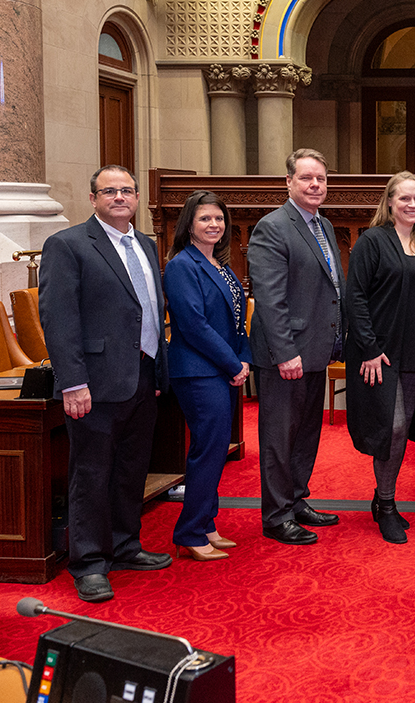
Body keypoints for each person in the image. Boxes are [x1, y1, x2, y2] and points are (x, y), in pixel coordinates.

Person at [39, 165, 172, 603]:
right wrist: (72, 382)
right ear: (93, 198)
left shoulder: (147, 245)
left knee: (132, 468)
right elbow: (59, 320)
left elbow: (148, 311)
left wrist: (155, 368)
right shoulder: (68, 245)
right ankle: (90, 562)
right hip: (93, 384)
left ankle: (125, 545)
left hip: (142, 376)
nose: (119, 197)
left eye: (127, 190)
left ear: (137, 198)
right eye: (109, 191)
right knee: (91, 473)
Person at [248, 148, 345, 546]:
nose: (315, 185)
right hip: (286, 354)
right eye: (306, 178)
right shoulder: (272, 227)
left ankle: (297, 499)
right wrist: (286, 352)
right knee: (278, 436)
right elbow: (270, 300)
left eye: (320, 179)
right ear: (288, 182)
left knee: (306, 434)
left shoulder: (322, 226)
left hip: (315, 350)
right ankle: (275, 515)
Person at [346, 171, 415, 544]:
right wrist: (369, 348)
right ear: (389, 202)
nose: (412, 204)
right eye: (405, 198)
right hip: (379, 354)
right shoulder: (373, 241)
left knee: (401, 434)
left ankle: (383, 497)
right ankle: (386, 506)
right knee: (393, 428)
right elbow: (354, 297)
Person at [163, 190, 253, 561]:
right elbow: (194, 326)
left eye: (218, 219)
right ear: (189, 225)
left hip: (224, 368)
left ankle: (207, 523)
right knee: (207, 450)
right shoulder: (182, 266)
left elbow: (238, 321)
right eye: (204, 219)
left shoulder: (222, 265)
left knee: (216, 449)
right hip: (197, 371)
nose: (213, 225)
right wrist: (233, 365)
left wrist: (243, 359)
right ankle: (189, 531)